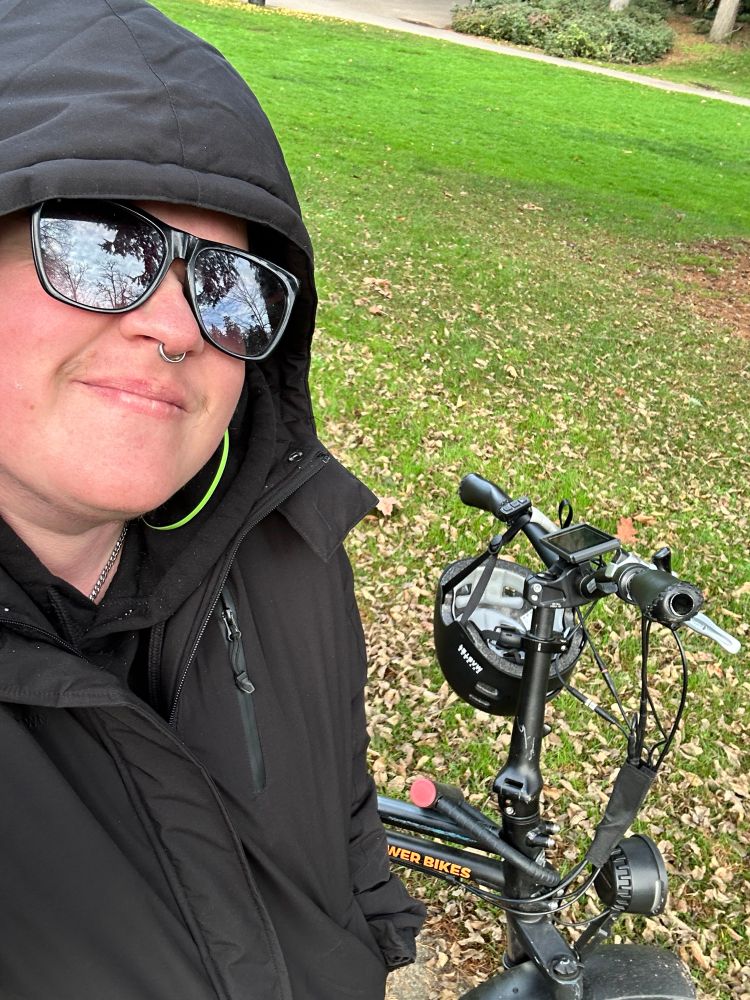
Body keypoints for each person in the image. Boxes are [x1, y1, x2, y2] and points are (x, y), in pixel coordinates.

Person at [0, 1, 425, 997]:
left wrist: (382, 937)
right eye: (105, 247)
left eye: (229, 283)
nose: (178, 326)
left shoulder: (287, 547)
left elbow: (345, 815)